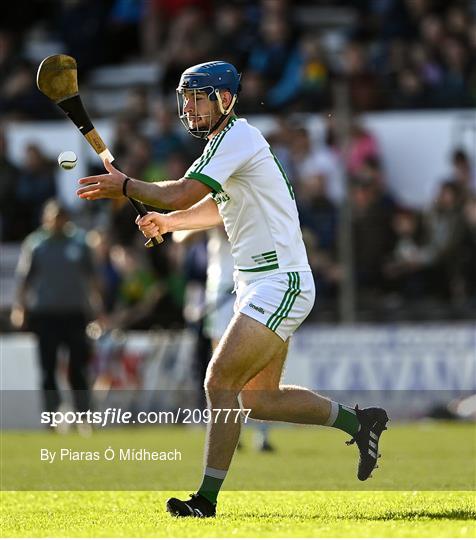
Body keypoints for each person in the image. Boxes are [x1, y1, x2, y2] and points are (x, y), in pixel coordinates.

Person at [76, 61, 389, 518]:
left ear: (224, 99)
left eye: (197, 97)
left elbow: (181, 191)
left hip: (279, 281)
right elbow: (212, 208)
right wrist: (167, 220)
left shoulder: (238, 137)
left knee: (218, 381)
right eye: (184, 98)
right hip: (256, 284)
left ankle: (205, 501)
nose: (188, 107)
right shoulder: (225, 146)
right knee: (260, 400)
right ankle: (361, 422)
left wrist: (126, 186)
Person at [11, 199, 102, 418]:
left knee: (78, 368)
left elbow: (92, 279)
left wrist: (98, 310)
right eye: (53, 217)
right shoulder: (36, 244)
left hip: (75, 313)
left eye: (61, 217)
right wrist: (20, 309)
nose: (57, 221)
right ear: (46, 218)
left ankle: (84, 415)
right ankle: (52, 416)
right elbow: (24, 280)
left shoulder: (80, 243)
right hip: (45, 314)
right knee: (48, 369)